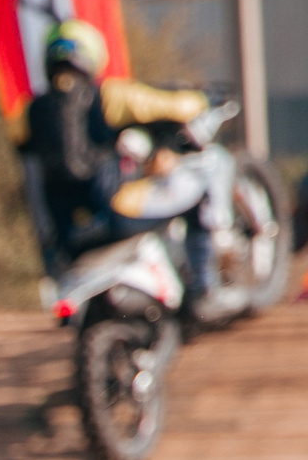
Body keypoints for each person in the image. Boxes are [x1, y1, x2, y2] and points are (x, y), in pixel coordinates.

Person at [20, 17, 210, 295]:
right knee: (199, 195)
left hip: (65, 235)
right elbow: (177, 106)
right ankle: (204, 287)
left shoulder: (31, 111)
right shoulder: (109, 95)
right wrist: (202, 99)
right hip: (115, 215)